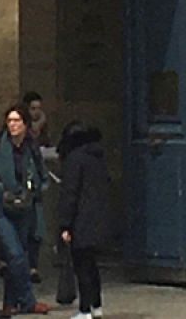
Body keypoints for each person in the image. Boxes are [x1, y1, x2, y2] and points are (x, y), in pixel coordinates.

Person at [0, 104, 52, 315]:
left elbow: (41, 172)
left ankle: (9, 303)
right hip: (1, 205)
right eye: (9, 120)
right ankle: (28, 300)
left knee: (19, 254)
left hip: (24, 205)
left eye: (17, 121)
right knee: (15, 254)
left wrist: (35, 189)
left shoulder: (31, 145)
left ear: (25, 124)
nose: (12, 125)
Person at [57, 121, 110, 319]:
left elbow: (70, 194)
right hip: (97, 218)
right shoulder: (97, 157)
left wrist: (65, 224)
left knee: (82, 267)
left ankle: (85, 309)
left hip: (81, 219)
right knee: (92, 266)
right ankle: (96, 306)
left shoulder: (75, 159)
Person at [21, 91, 52, 284]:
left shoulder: (42, 127)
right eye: (32, 109)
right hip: (21, 187)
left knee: (36, 229)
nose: (36, 113)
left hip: (35, 188)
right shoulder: (23, 131)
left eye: (38, 109)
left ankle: (33, 265)